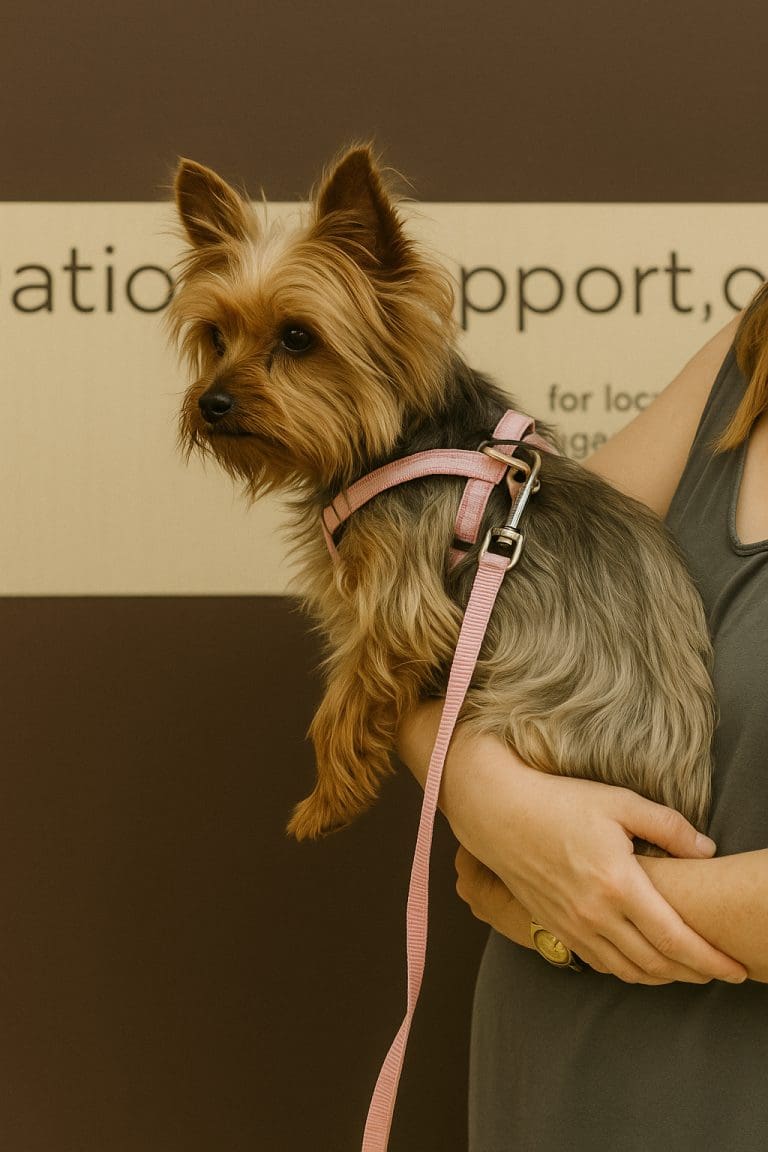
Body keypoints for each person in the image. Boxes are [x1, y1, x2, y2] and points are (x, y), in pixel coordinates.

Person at [397, 301, 768, 1151]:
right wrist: (490, 799)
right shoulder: (753, 350)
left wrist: (577, 895)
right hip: (556, 1083)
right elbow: (430, 640)